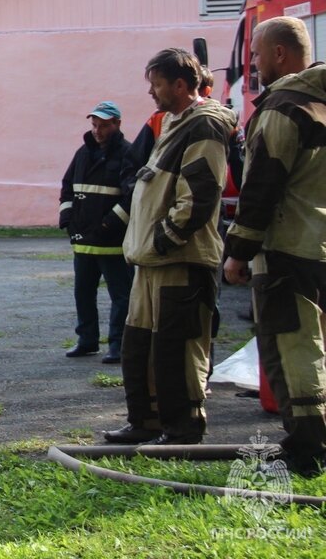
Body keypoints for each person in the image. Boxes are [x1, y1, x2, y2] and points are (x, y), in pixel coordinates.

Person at [104, 48, 236, 446]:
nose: (151, 92)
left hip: (179, 259)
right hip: (153, 261)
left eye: (157, 84)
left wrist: (163, 240)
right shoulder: (174, 122)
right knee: (141, 346)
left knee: (177, 349)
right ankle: (145, 422)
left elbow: (198, 195)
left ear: (180, 85)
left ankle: (182, 428)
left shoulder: (205, 125)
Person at [222, 16, 326, 478]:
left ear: (280, 54)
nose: (256, 65)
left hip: (288, 249)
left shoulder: (282, 108)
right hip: (319, 245)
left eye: (258, 55)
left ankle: (306, 450)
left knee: (292, 349)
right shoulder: (320, 104)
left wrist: (239, 251)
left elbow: (261, 188)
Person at [59, 101, 136, 363]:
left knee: (121, 297)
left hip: (112, 242)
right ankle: (87, 340)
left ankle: (119, 345)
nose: (97, 131)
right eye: (94, 125)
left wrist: (109, 223)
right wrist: (67, 218)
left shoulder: (128, 153)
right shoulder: (83, 152)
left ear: (117, 124)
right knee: (83, 293)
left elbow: (132, 196)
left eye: (103, 125)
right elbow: (68, 185)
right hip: (83, 242)